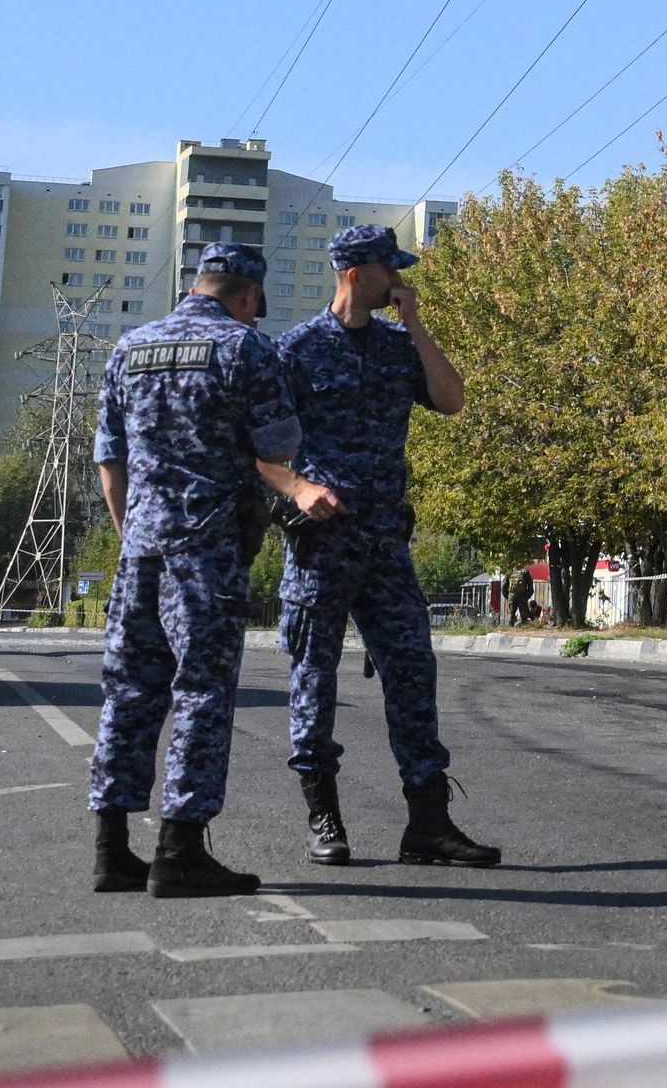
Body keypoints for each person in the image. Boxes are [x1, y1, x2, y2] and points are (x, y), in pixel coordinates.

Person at [91, 242, 336, 899]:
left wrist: (131, 533)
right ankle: (180, 849)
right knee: (200, 689)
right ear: (249, 295)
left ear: (197, 283)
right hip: (206, 550)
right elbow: (280, 445)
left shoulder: (129, 347)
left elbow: (110, 461)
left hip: (140, 548)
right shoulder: (244, 349)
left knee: (130, 692)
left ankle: (112, 850)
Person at [275, 224, 500, 870]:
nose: (400, 279)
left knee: (412, 673)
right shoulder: (298, 350)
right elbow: (258, 447)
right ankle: (324, 817)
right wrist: (298, 488)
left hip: (385, 546)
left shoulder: (400, 346)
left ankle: (428, 824)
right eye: (389, 270)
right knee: (313, 679)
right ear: (354, 274)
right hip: (322, 546)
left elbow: (452, 398)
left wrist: (416, 323)